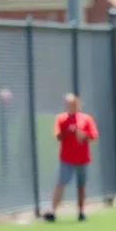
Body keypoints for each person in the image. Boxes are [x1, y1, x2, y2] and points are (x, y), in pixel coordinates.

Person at [44, 94, 98, 222]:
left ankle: (81, 211)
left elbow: (93, 136)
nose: (71, 106)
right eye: (69, 104)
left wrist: (83, 135)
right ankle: (53, 210)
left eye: (73, 104)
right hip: (66, 158)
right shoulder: (61, 119)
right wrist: (69, 131)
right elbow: (58, 136)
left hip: (82, 158)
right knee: (60, 183)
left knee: (81, 185)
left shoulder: (86, 119)